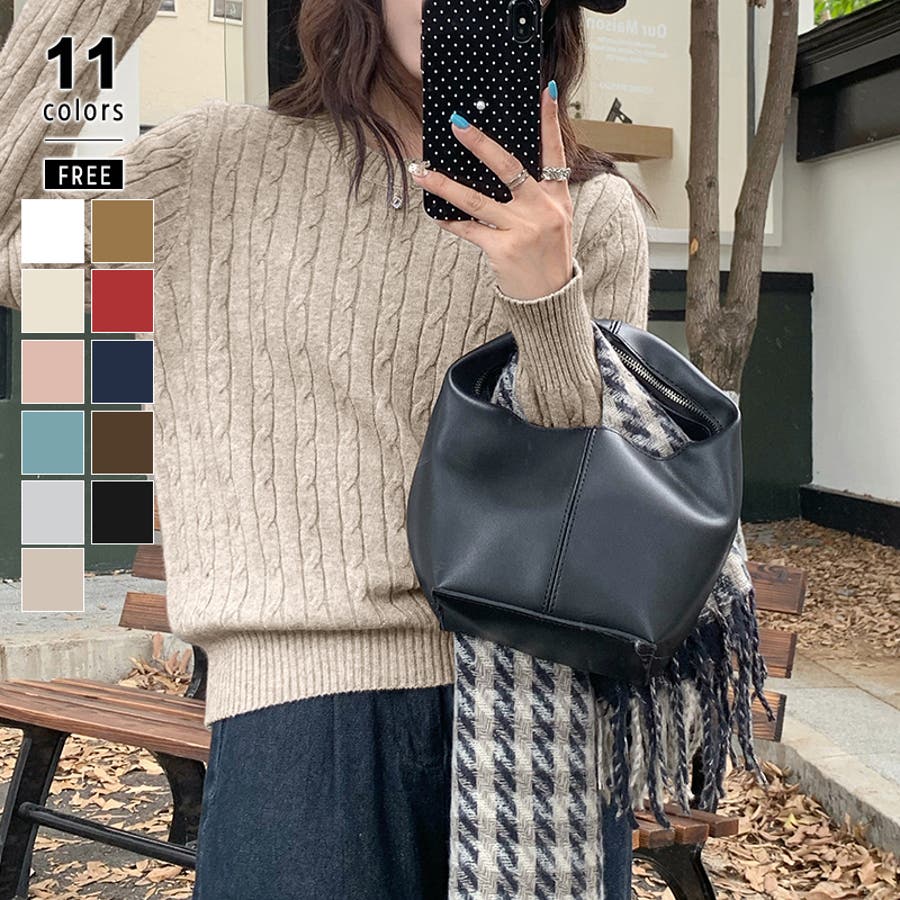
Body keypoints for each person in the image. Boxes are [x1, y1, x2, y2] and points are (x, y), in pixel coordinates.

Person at [0, 0, 651, 896]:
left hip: (544, 723)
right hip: (297, 723)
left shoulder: (590, 212)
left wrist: (543, 297)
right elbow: (15, 243)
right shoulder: (208, 166)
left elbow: (593, 498)